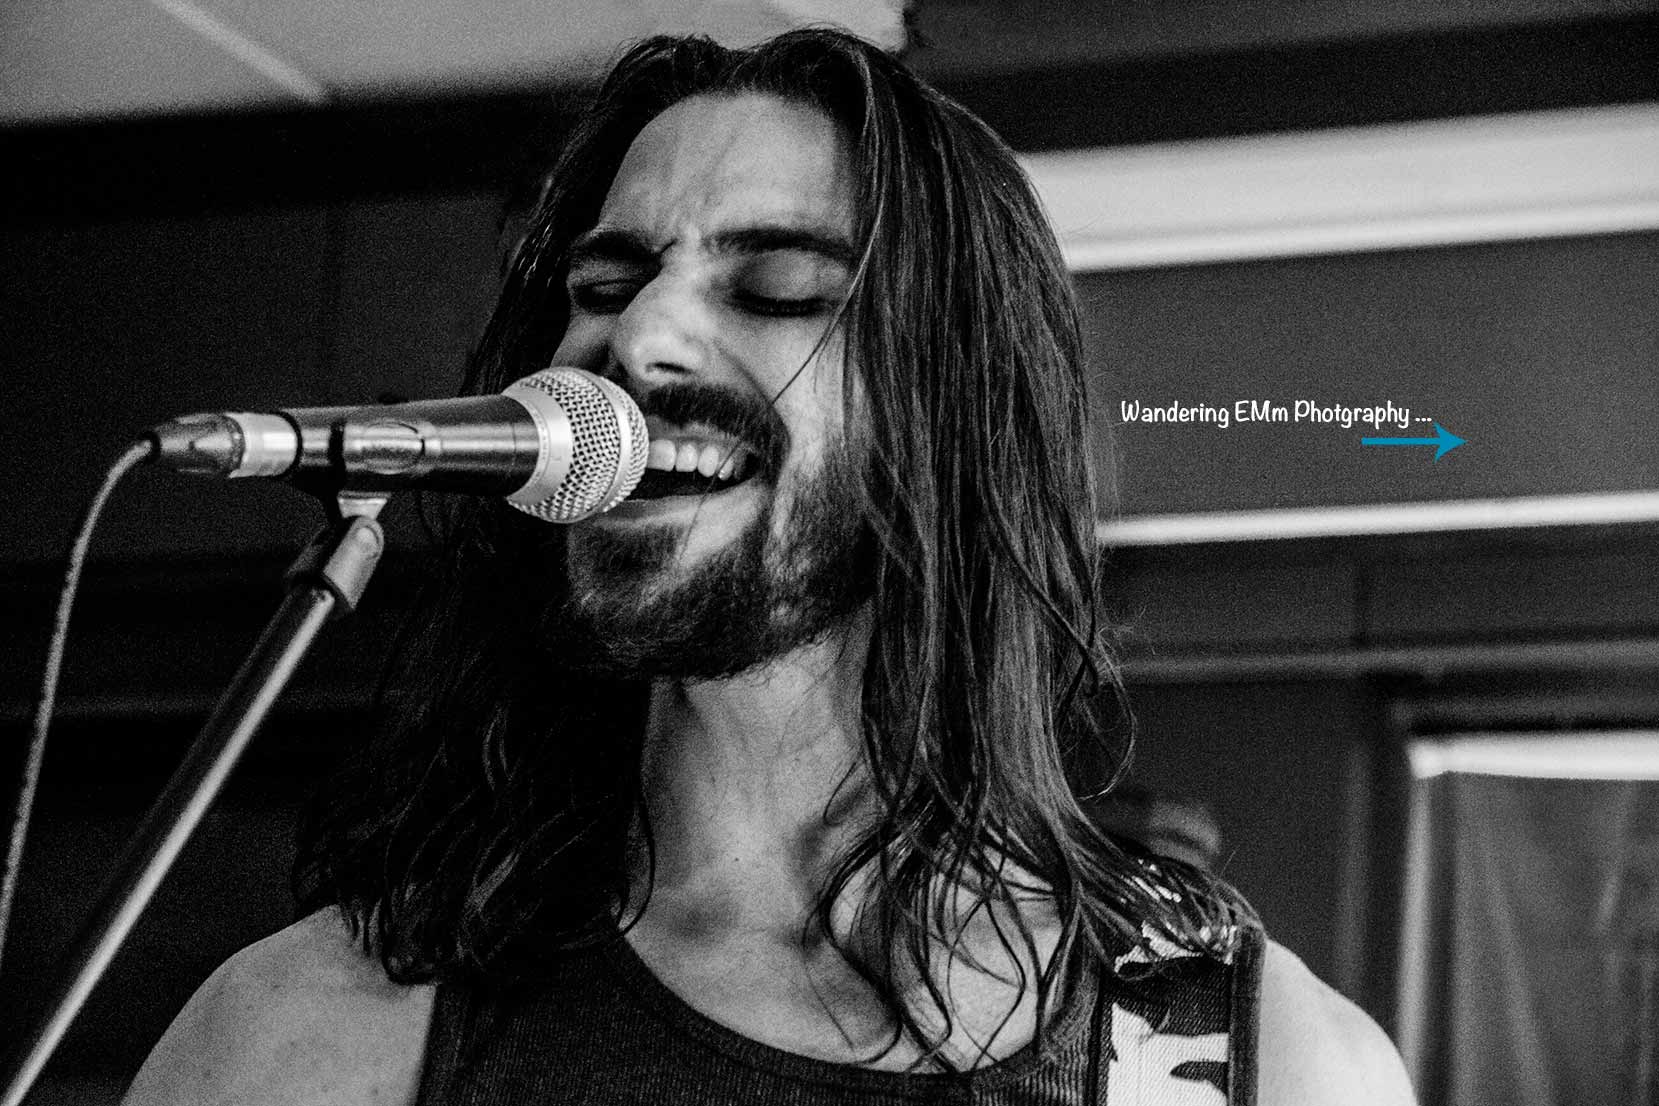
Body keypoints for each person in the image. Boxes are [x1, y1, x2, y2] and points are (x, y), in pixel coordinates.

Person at [121, 29, 1414, 1105]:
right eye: (605, 282)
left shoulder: (1245, 1059)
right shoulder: (311, 1032)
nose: (639, 334)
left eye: (778, 287)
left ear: (948, 418)